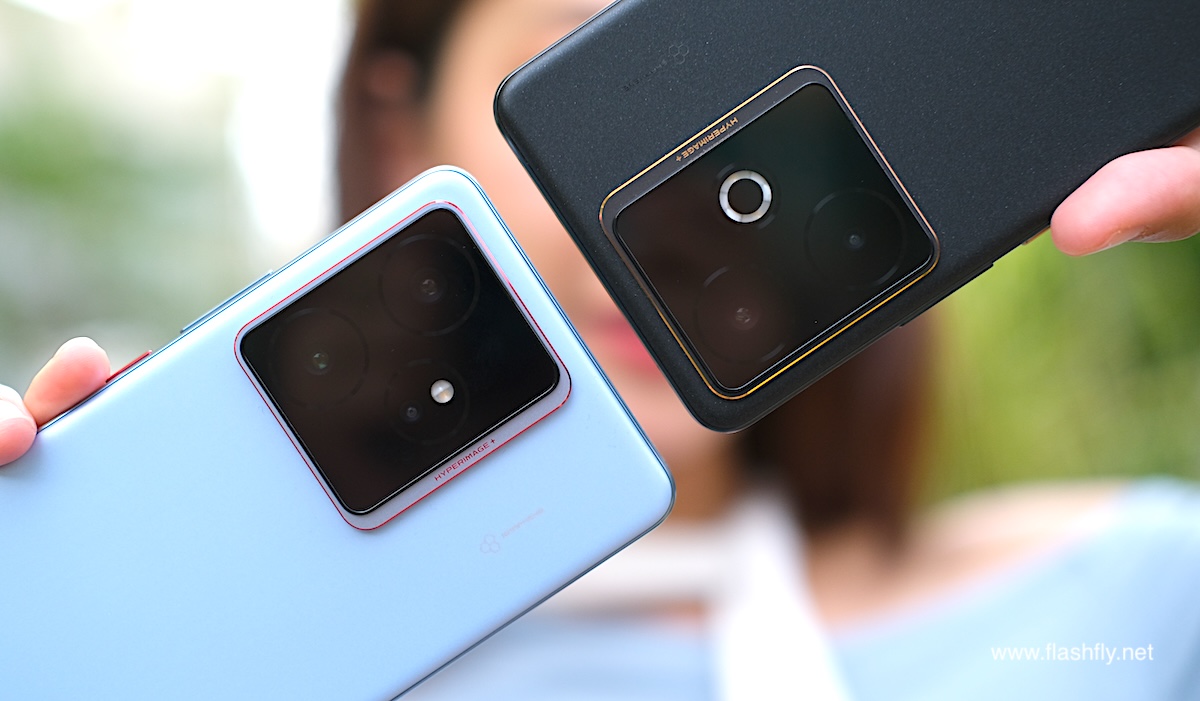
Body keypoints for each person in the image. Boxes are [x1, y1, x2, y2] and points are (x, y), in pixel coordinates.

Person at [4, 0, 1200, 697]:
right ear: (398, 124)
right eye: (605, 71)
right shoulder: (211, 664)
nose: (679, 210)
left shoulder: (1139, 598)